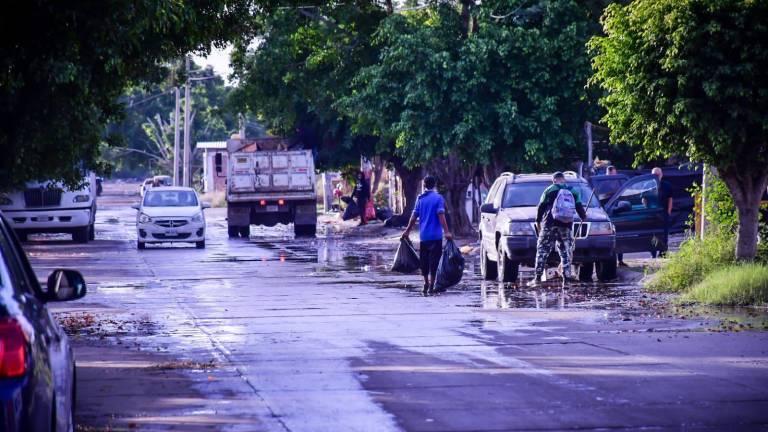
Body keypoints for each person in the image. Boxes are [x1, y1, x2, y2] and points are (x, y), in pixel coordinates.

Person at [529, 172, 588, 287]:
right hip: (566, 225)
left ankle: (537, 279)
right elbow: (579, 206)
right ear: (563, 180)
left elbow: (541, 206)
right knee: (566, 251)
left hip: (549, 224)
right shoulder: (573, 191)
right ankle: (566, 279)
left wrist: (537, 220)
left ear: (554, 180)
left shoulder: (549, 190)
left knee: (542, 251)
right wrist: (583, 216)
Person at [402, 175, 453, 295]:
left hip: (424, 236)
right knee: (434, 261)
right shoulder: (438, 198)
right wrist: (447, 231)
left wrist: (407, 231)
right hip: (436, 236)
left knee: (424, 260)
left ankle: (426, 283)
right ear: (434, 185)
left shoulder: (420, 198)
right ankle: (432, 284)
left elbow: (414, 217)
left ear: (424, 185)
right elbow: (441, 215)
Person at [652, 167, 673, 258]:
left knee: (664, 234)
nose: (657, 176)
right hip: (652, 214)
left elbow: (670, 199)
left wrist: (668, 212)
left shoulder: (667, 185)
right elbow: (643, 199)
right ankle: (653, 253)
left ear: (662, 175)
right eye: (654, 175)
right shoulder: (648, 185)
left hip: (663, 213)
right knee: (653, 234)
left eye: (658, 174)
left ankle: (663, 252)